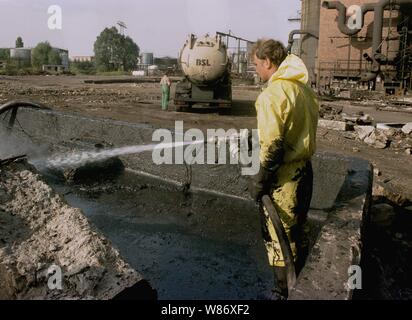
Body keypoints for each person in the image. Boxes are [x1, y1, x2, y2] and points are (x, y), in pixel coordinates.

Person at [249, 39, 319, 299]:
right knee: (299, 229)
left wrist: (260, 180)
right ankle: (301, 283)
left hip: (285, 179)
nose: (256, 70)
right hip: (305, 171)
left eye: (256, 64)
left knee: (278, 235)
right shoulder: (303, 90)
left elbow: (274, 147)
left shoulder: (271, 95)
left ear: (268, 62)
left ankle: (282, 291)